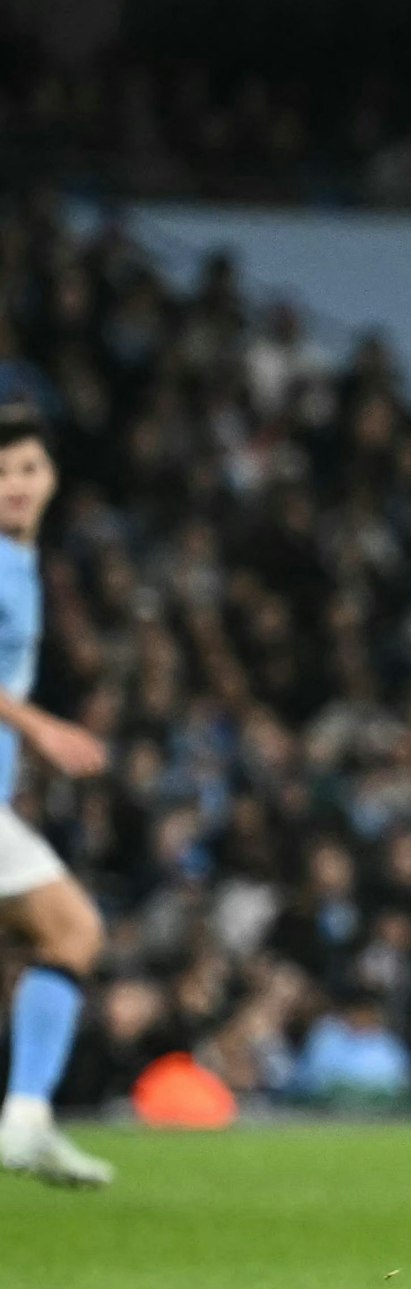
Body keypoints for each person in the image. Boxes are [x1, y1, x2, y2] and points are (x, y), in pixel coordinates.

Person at [0, 407, 114, 1186]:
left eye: (29, 469)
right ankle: (26, 1119)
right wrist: (38, 728)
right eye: (2, 471)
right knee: (72, 929)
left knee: (64, 935)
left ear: (52, 480)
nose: (15, 484)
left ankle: (28, 1119)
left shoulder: (24, 563)